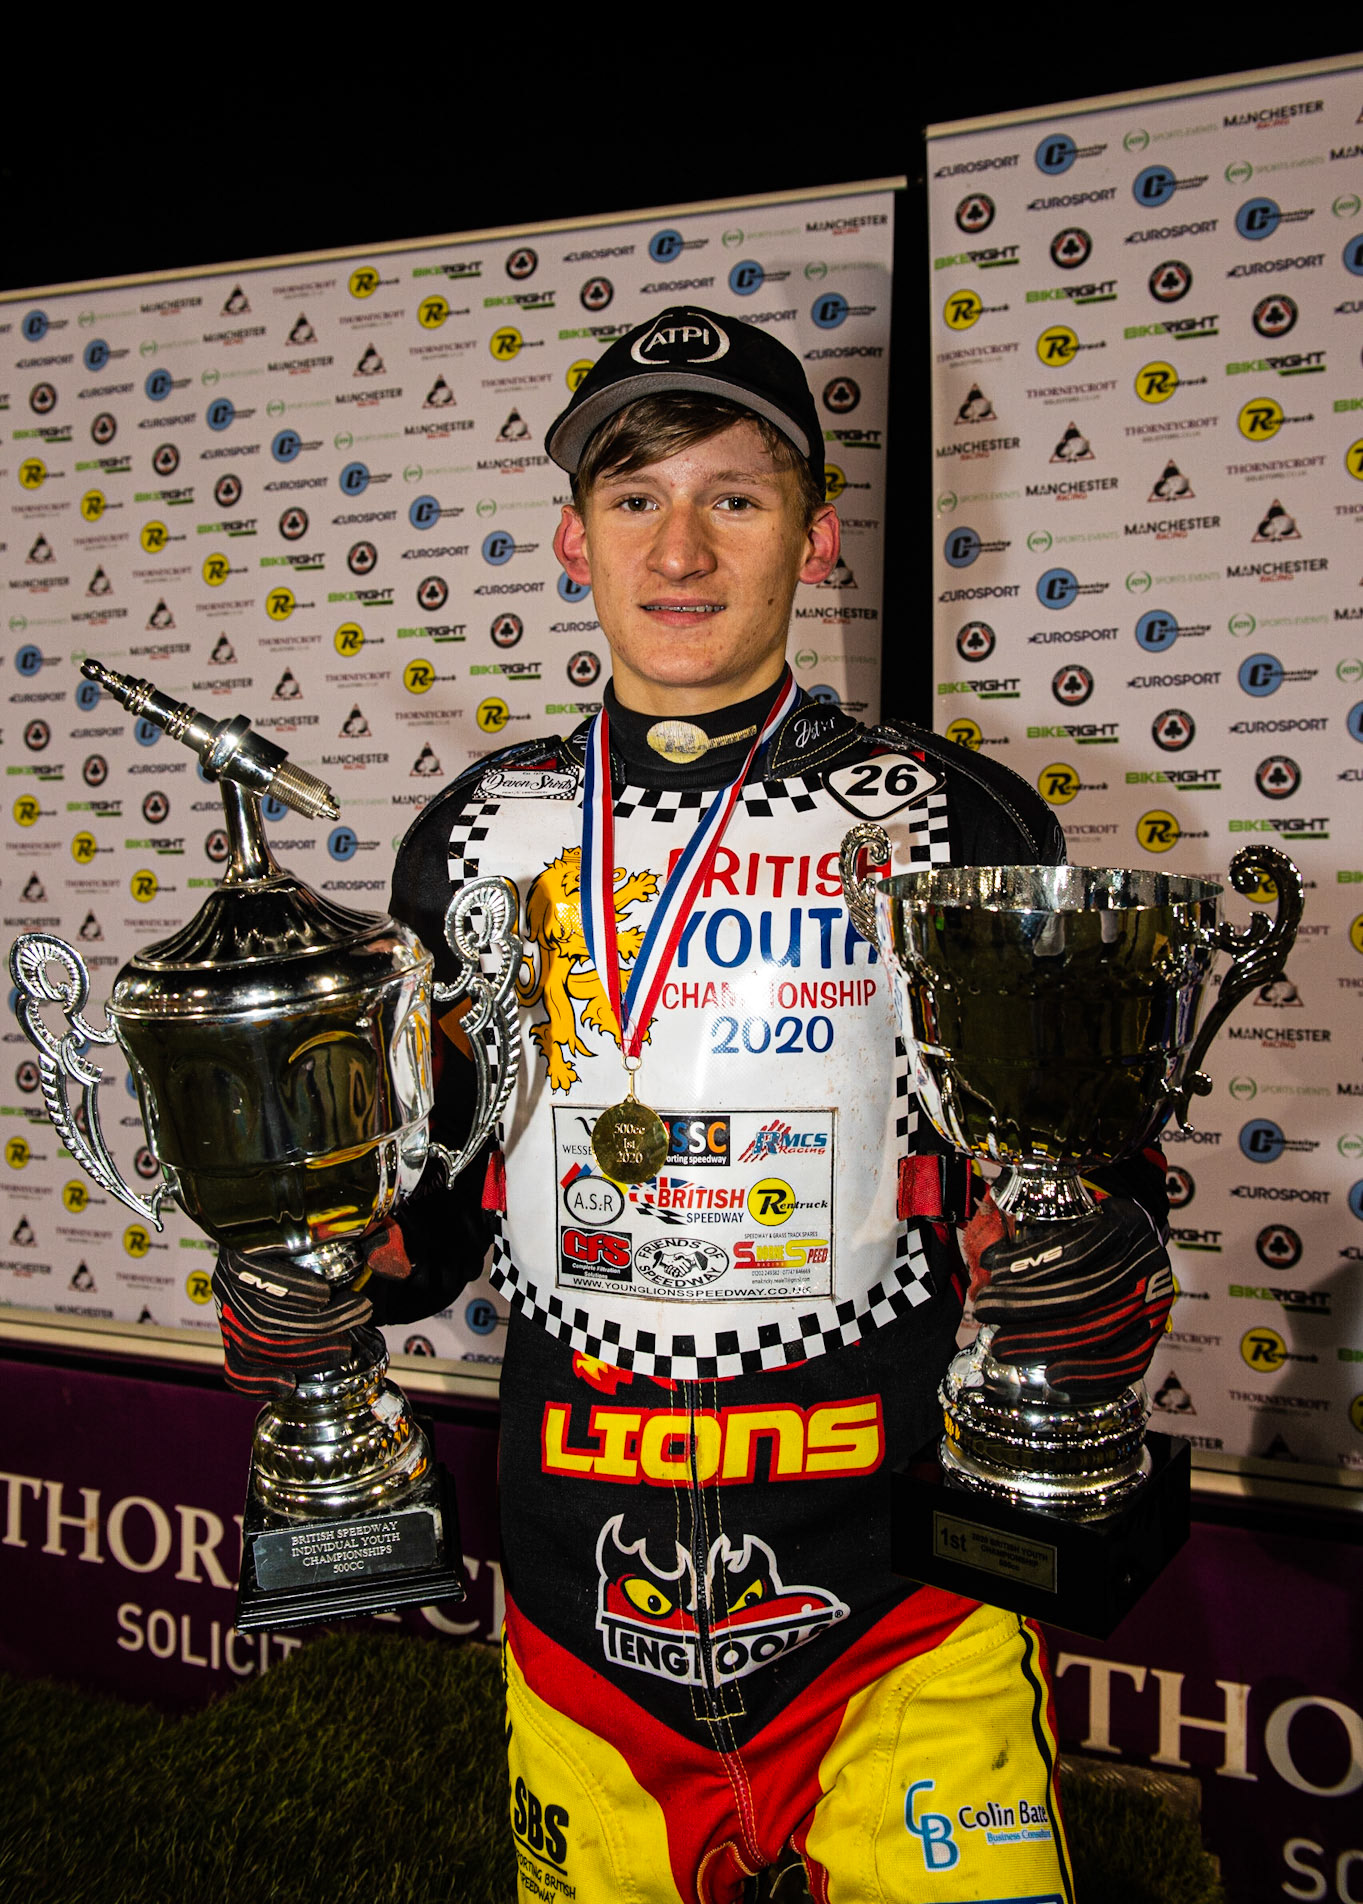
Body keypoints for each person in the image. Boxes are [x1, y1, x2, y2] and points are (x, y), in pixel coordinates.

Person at [214, 307, 1171, 1903]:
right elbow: (440, 1204)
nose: (680, 547)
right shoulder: (475, 832)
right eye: (633, 497)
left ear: (815, 532)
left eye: (733, 495)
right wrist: (331, 1271)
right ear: (572, 539)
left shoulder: (952, 808)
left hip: (897, 1595)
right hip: (584, 1585)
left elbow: (1077, 1173)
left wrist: (1095, 1267)